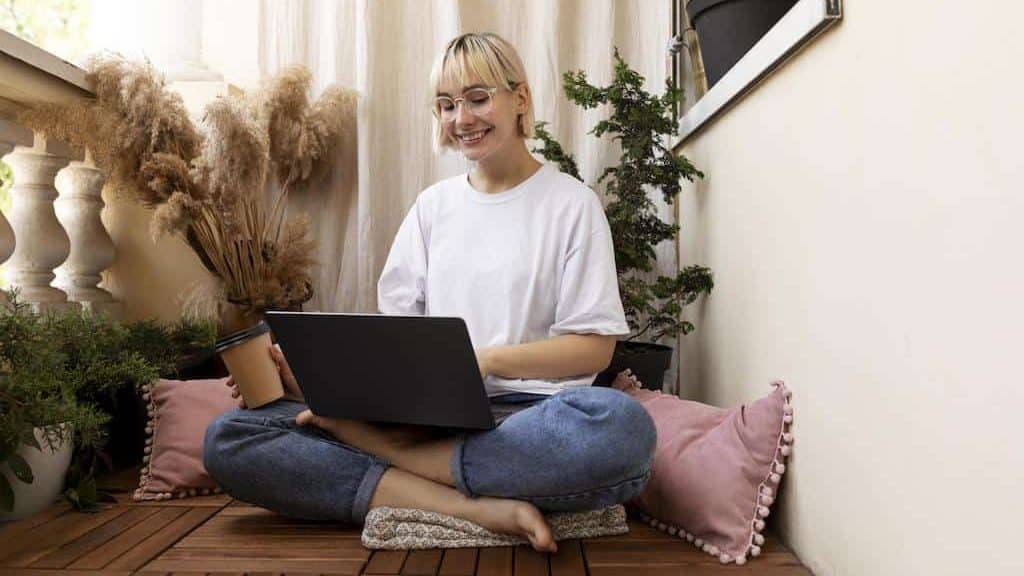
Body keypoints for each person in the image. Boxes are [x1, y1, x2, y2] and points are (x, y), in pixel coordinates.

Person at [203, 32, 656, 553]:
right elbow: (394, 348)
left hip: (526, 422)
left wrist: (484, 361)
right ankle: (467, 505)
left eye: (478, 98)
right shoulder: (431, 209)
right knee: (231, 436)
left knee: (623, 429)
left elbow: (593, 347)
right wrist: (307, 383)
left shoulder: (572, 204)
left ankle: (388, 458)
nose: (461, 118)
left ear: (521, 99)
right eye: (446, 105)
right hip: (425, 419)